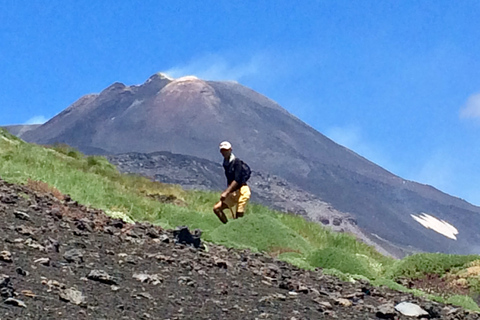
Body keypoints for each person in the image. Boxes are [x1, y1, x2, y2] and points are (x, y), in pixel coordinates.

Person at [213, 141, 251, 224]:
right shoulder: (226, 163)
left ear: (230, 150)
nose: (224, 152)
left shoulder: (236, 162)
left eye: (226, 150)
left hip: (242, 190)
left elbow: (237, 180)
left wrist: (226, 192)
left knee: (239, 214)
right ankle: (228, 227)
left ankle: (238, 230)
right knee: (217, 209)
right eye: (223, 150)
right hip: (233, 192)